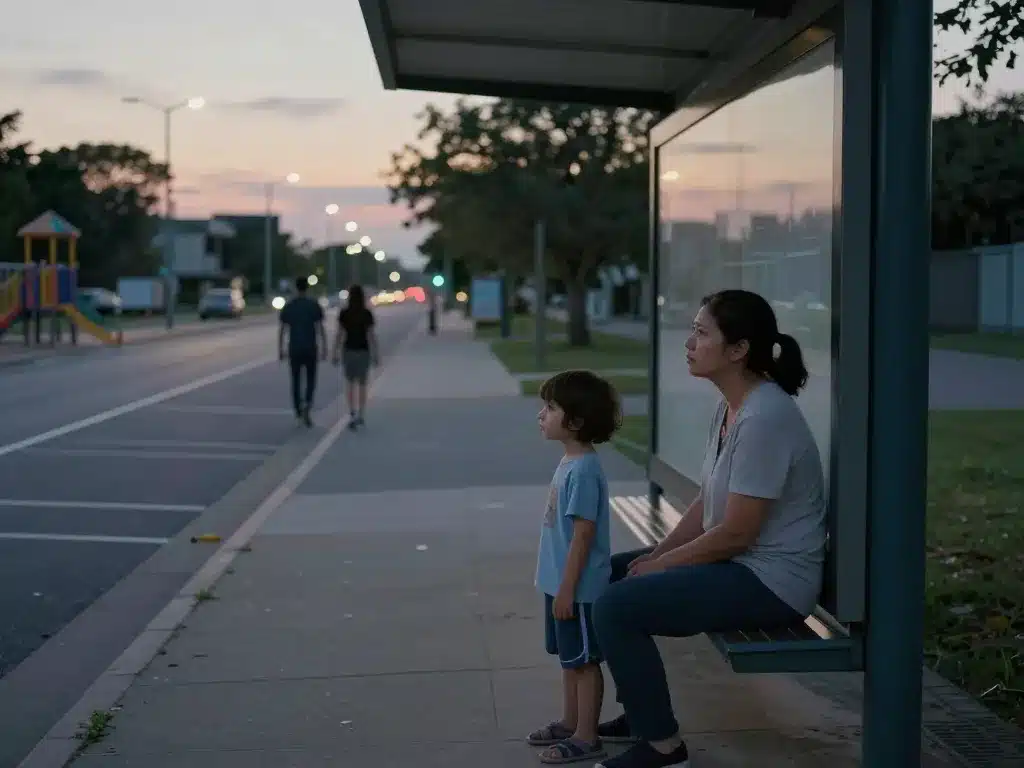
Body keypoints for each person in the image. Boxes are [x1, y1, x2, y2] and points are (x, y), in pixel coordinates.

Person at [591, 289, 827, 768]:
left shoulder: (764, 417)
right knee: (610, 574)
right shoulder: (732, 407)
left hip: (773, 582)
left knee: (618, 605)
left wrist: (661, 565)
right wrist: (655, 555)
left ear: (738, 349)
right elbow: (707, 503)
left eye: (701, 333)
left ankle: (663, 746)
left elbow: (737, 533)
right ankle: (641, 713)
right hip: (742, 566)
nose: (689, 342)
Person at [527, 370, 621, 765]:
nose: (541, 415)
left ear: (576, 422)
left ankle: (587, 735)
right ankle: (571, 721)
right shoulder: (571, 462)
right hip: (560, 584)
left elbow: (583, 536)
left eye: (550, 408)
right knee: (570, 659)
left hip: (578, 590)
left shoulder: (583, 470)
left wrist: (567, 589)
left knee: (584, 662)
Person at [278, 276, 326, 427]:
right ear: (307, 287)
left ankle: (298, 409)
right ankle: (308, 404)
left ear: (295, 288)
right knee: (311, 379)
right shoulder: (313, 305)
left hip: (295, 348)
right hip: (310, 348)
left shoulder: (290, 306)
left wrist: (280, 348)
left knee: (296, 380)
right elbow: (320, 328)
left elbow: (283, 329)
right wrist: (324, 347)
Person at [331, 284, 377, 429]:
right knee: (363, 384)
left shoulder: (344, 313)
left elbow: (339, 334)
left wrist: (335, 352)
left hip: (348, 350)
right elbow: (371, 335)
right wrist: (376, 354)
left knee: (350, 384)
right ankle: (361, 414)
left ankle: (352, 412)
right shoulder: (367, 313)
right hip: (363, 351)